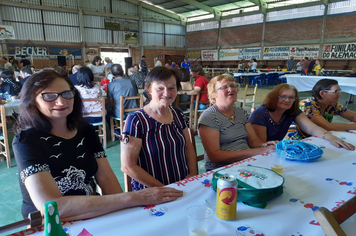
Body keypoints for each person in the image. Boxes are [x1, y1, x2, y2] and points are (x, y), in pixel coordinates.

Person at [12, 67, 183, 221]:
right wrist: (135, 198)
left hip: (93, 212)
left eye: (66, 93)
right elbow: (52, 207)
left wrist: (122, 215)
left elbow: (107, 178)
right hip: (49, 224)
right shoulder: (26, 141)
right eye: (49, 96)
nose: (61, 102)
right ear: (33, 100)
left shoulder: (85, 130)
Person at [121, 66, 197, 191]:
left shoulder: (178, 114)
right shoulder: (136, 120)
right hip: (152, 191)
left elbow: (188, 146)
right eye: (160, 88)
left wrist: (192, 175)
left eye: (171, 88)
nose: (167, 93)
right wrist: (165, 189)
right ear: (149, 89)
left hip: (183, 185)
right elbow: (128, 166)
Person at [198, 74, 277, 171]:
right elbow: (215, 156)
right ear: (213, 94)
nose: (230, 89)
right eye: (225, 87)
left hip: (246, 163)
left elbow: (253, 141)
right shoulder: (209, 117)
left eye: (233, 86)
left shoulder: (240, 112)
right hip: (222, 170)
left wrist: (264, 145)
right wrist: (258, 151)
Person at [249, 84, 354, 150]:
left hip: (274, 148)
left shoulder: (292, 111)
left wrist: (331, 137)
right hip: (259, 151)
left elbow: (311, 128)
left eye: (291, 97)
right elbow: (260, 145)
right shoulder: (261, 113)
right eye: (283, 96)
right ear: (274, 97)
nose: (287, 100)